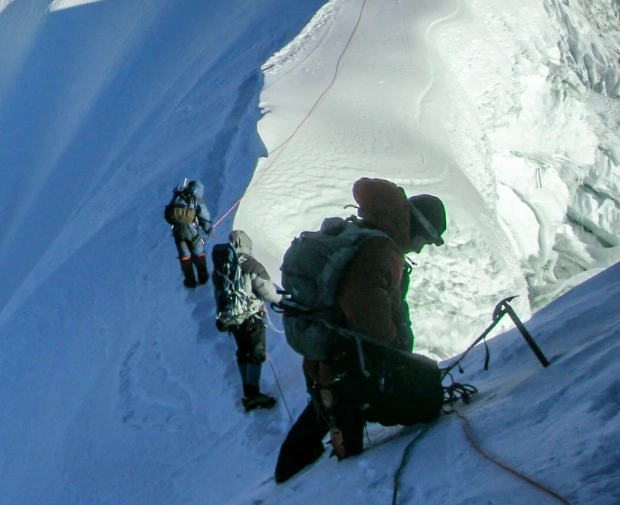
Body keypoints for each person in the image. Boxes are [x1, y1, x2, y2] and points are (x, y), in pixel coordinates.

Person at [274, 178, 447, 483]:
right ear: (417, 227)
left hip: (329, 350)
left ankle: (288, 479)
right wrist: (392, 351)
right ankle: (333, 486)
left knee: (326, 411)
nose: (420, 249)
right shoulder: (382, 249)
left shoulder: (366, 236)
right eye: (424, 240)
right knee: (419, 400)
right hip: (349, 357)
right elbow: (363, 302)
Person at [213, 230, 283, 410]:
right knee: (256, 354)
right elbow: (268, 293)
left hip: (232, 319)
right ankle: (254, 395)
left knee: (243, 352)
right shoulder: (252, 265)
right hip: (252, 318)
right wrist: (282, 300)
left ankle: (247, 391)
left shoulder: (223, 264)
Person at [163, 179, 213, 288]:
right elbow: (204, 215)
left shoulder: (178, 197)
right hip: (191, 230)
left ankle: (190, 280)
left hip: (177, 230)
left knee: (184, 255)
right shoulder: (195, 199)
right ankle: (203, 276)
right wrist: (208, 229)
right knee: (198, 251)